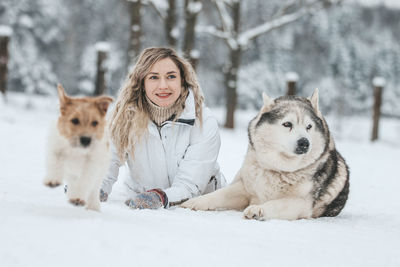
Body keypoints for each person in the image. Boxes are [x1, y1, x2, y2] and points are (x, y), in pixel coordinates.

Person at [100, 47, 225, 209]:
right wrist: (95, 187)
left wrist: (159, 197)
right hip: (140, 208)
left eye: (171, 76)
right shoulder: (124, 117)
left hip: (200, 209)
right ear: (142, 83)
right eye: (153, 77)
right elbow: (108, 160)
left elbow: (190, 184)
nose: (163, 85)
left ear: (182, 80)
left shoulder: (204, 121)